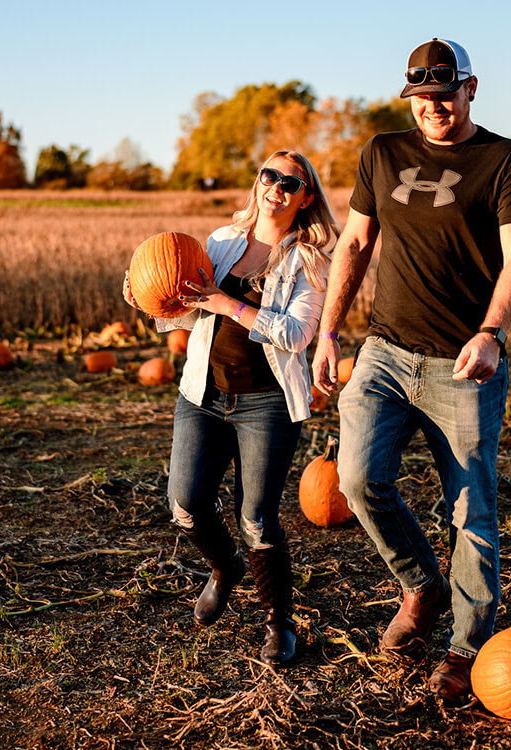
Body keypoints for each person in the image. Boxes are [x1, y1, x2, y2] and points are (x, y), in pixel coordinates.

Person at [311, 38, 511, 703]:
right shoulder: (382, 152)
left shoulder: (505, 160)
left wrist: (492, 333)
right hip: (385, 353)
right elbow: (356, 242)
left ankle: (467, 651)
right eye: (421, 98)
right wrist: (328, 331)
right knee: (356, 479)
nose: (433, 108)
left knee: (471, 511)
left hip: (463, 365)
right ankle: (421, 586)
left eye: (445, 95)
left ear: (471, 88)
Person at [123, 150, 339, 666]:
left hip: (268, 405)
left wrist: (230, 304)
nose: (276, 187)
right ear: (257, 182)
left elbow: (296, 335)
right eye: (269, 175)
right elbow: (189, 311)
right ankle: (225, 568)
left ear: (306, 197)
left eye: (291, 182)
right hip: (203, 394)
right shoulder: (221, 242)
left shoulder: (309, 261)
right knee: (185, 503)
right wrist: (148, 300)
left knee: (257, 521)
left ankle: (279, 621)